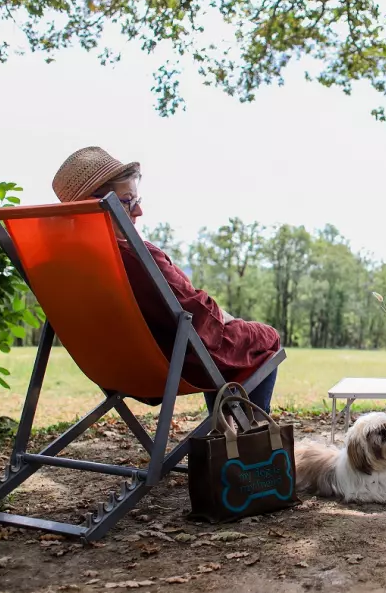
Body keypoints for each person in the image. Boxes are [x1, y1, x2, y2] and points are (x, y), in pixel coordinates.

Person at [51, 147, 281, 414]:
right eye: (127, 201)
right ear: (92, 206)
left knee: (229, 343)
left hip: (114, 370)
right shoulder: (136, 257)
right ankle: (250, 438)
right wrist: (226, 318)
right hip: (171, 366)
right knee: (264, 338)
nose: (138, 210)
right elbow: (200, 318)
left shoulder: (60, 264)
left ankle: (229, 435)